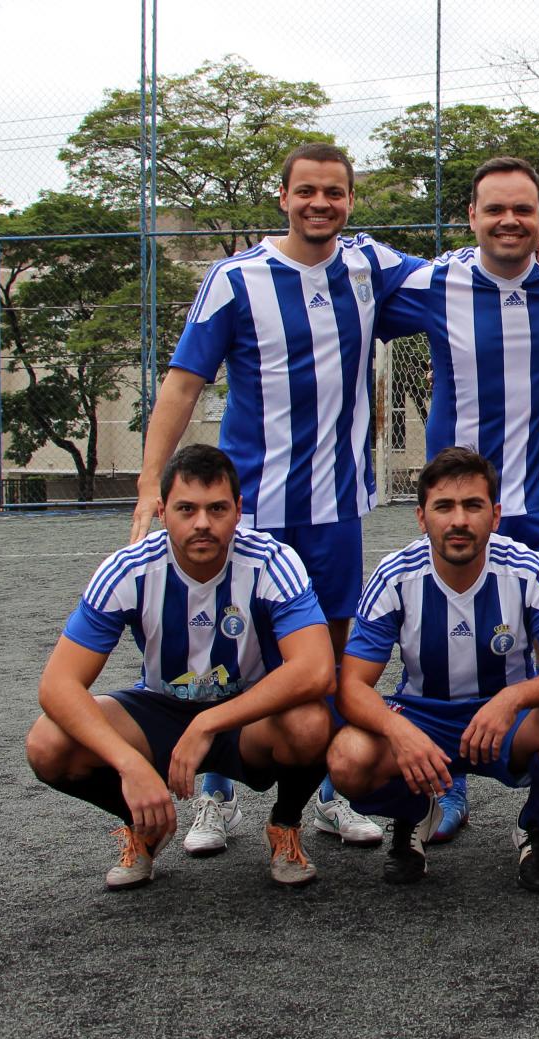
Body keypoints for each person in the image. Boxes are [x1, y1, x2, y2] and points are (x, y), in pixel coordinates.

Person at [132, 143, 403, 852]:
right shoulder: (235, 279)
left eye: (335, 193)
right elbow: (183, 383)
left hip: (337, 508)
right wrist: (148, 484)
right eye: (307, 191)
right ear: (281, 196)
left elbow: (461, 273)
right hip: (250, 511)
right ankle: (214, 798)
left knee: (334, 663)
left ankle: (327, 796)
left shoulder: (370, 265)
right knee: (232, 656)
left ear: (350, 201)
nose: (321, 204)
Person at [377, 156, 539, 839]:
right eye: (495, 209)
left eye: (524, 209)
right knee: (441, 640)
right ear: (471, 218)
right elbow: (347, 273)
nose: (510, 220)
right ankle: (447, 781)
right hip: (461, 501)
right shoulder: (436, 281)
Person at [26, 445, 335, 890]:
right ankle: (144, 825)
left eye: (217, 509)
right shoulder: (128, 570)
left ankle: (284, 824)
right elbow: (57, 685)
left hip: (247, 715)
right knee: (47, 742)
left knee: (311, 723)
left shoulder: (271, 561)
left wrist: (209, 722)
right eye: (186, 509)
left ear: (239, 510)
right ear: (162, 510)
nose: (203, 523)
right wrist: (129, 765)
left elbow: (315, 669)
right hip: (161, 707)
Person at [328, 448, 539, 891]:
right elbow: (352, 686)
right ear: (421, 517)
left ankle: (534, 827)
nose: (458, 520)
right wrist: (398, 730)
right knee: (347, 755)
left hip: (506, 720)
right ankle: (414, 815)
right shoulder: (395, 575)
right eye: (444, 507)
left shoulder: (526, 568)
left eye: (472, 505)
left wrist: (512, 698)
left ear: (495, 516)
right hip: (424, 716)